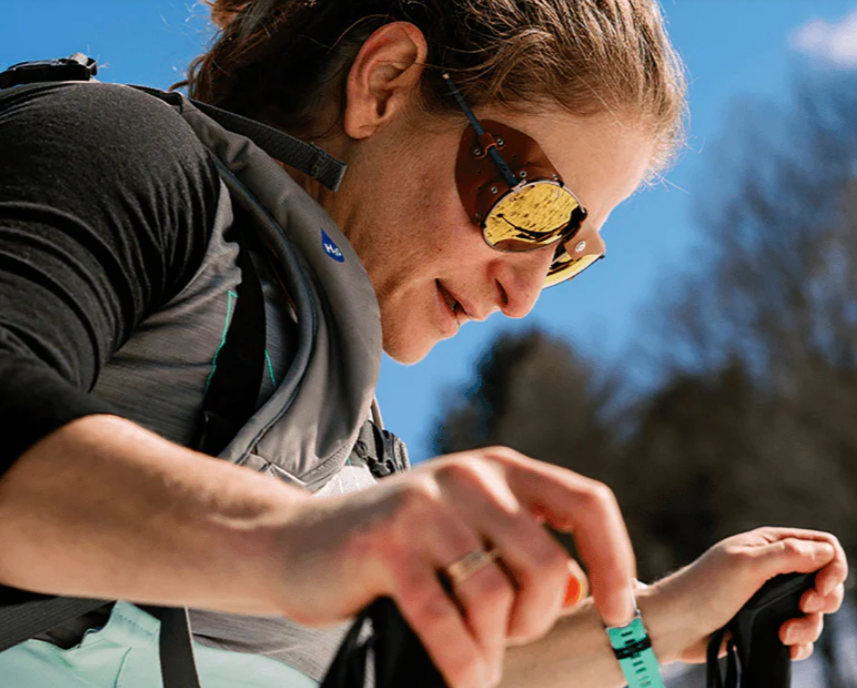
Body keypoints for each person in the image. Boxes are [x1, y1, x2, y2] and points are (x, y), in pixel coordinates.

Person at [0, 1, 848, 687]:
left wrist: (660, 620)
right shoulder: (119, 151)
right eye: (531, 209)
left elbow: (433, 662)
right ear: (383, 83)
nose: (521, 296)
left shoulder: (347, 419)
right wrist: (299, 543)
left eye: (563, 255)